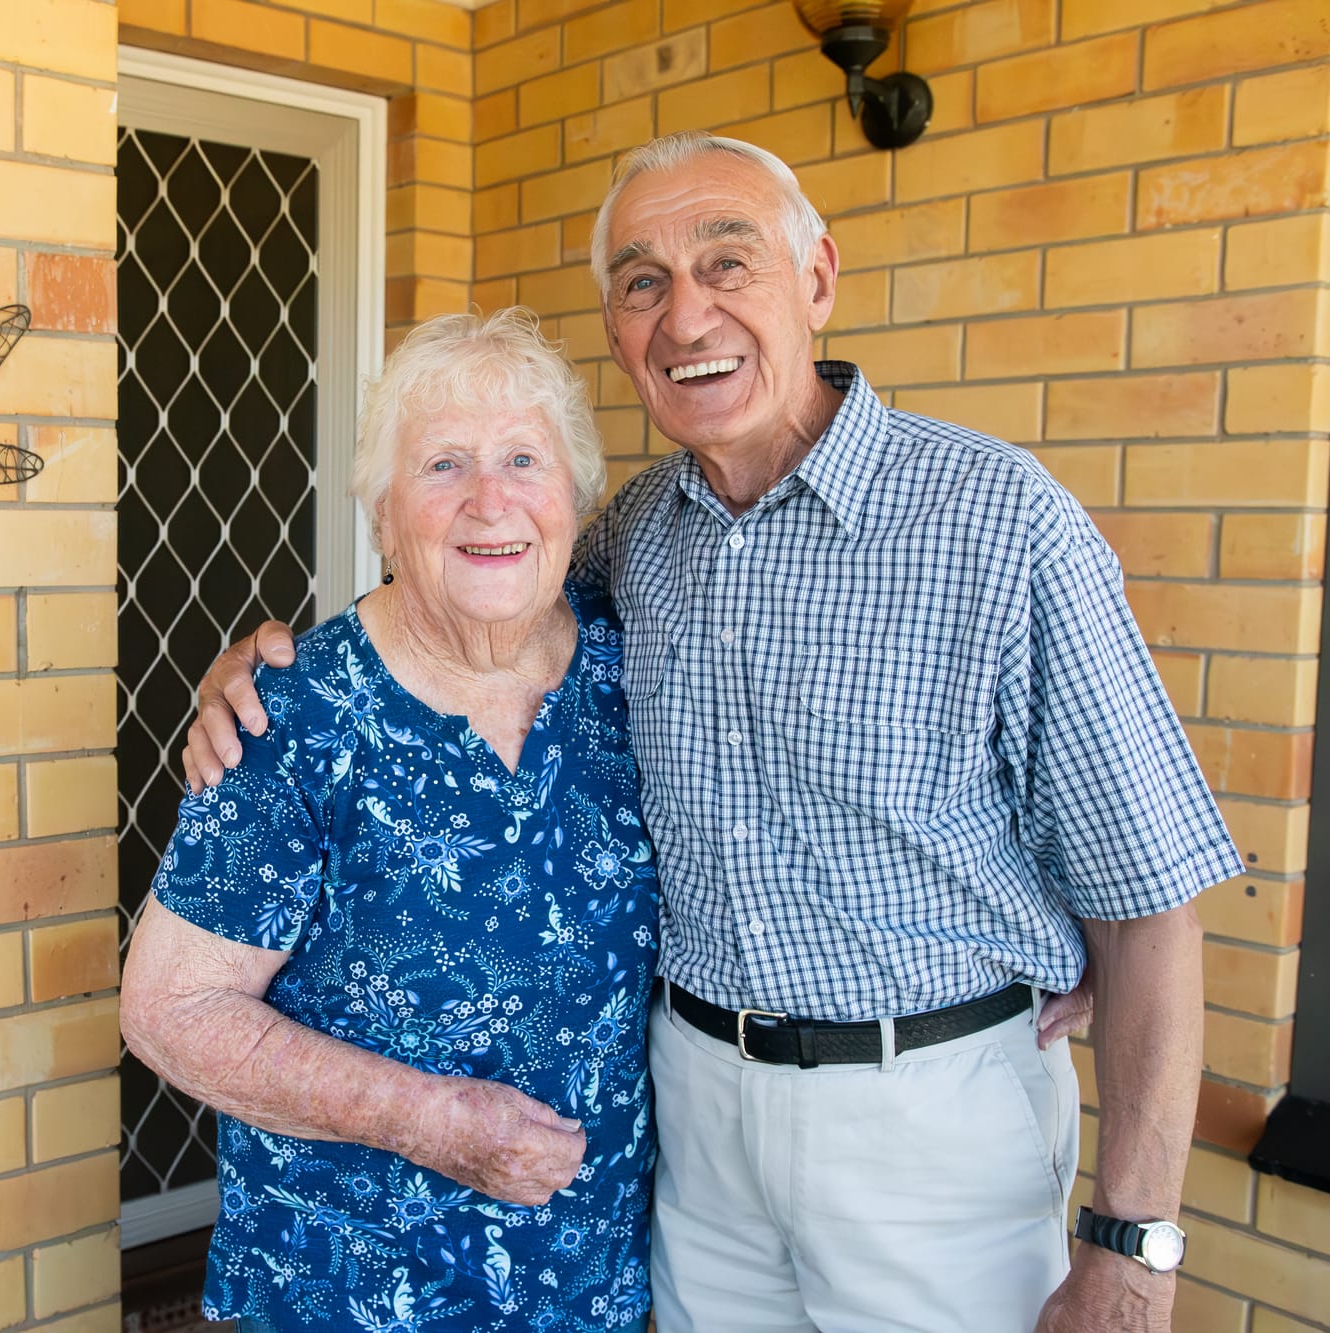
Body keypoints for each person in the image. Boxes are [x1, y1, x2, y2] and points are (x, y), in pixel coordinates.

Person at [181, 132, 1238, 1333]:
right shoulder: (635, 537)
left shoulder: (999, 524)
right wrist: (268, 669)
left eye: (726, 264)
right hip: (692, 1126)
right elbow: (463, 596)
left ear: (818, 279)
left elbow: (1150, 901)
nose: (686, 316)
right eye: (642, 282)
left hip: (928, 1117)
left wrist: (1131, 1245)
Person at [121, 308, 661, 1333]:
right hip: (356, 1278)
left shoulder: (630, 670)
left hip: (591, 1269)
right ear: (379, 515)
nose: (488, 499)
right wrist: (430, 1120)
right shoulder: (294, 714)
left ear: (574, 498)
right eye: (442, 465)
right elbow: (169, 1009)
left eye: (520, 458)